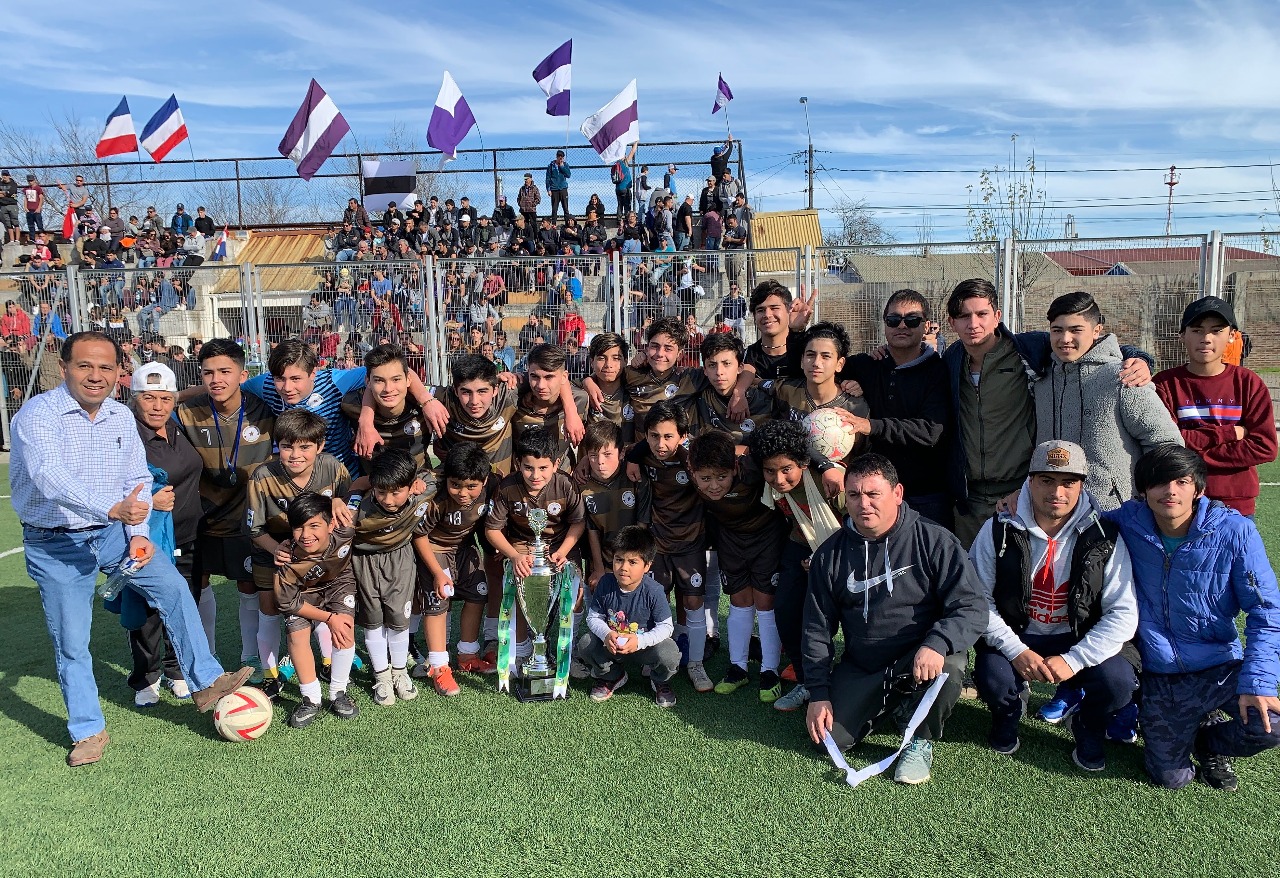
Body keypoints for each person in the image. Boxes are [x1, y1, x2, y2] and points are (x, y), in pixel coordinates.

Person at [10, 331, 252, 765]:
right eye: (85, 366)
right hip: (57, 544)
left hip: (114, 533)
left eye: (106, 367)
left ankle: (206, 681)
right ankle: (87, 730)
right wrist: (112, 508)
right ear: (64, 368)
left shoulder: (119, 416)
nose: (96, 376)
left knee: (174, 589)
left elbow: (136, 477)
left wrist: (138, 530)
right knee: (72, 641)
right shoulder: (38, 414)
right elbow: (48, 475)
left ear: (118, 373)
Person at [803, 454, 987, 785]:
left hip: (921, 657)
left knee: (950, 665)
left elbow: (971, 606)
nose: (863, 504)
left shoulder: (934, 540)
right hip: (864, 664)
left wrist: (937, 642)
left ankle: (919, 737)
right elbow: (816, 629)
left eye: (873, 494)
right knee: (829, 739)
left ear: (897, 493)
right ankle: (897, 705)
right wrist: (818, 693)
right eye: (854, 495)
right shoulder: (830, 555)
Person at [1111, 445, 1280, 790]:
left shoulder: (1235, 532)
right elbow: (1069, 516)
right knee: (1172, 778)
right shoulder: (1126, 522)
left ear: (1199, 489)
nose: (1170, 491)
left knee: (1270, 725)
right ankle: (1188, 722)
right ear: (1143, 490)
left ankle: (1208, 742)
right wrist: (1015, 499)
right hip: (1161, 674)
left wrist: (1258, 683)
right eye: (1159, 482)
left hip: (1219, 665)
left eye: (1182, 481)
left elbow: (1266, 610)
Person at [970, 440, 1139, 770]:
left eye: (1068, 482)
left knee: (1118, 682)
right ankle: (1009, 712)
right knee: (992, 677)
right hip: (1018, 634)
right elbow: (978, 599)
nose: (1057, 492)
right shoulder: (998, 528)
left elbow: (1123, 612)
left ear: (1082, 485)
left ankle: (1088, 724)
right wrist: (1016, 651)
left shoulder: (1104, 534)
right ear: (1030, 481)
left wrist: (1075, 660)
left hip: (1077, 635)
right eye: (1047, 480)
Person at [175, 339, 276, 682]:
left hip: (246, 517)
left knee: (249, 586)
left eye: (224, 371)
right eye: (208, 373)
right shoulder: (186, 412)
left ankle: (250, 657)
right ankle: (208, 657)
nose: (216, 379)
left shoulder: (264, 411)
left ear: (242, 375)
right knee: (198, 584)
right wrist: (177, 396)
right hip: (199, 515)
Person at [1035, 292, 1181, 510]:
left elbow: (1165, 442)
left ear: (1097, 331)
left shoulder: (1125, 376)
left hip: (1114, 512)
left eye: (1076, 330)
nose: (1065, 338)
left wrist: (1146, 498)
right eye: (1057, 330)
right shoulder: (1040, 380)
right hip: (1052, 512)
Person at [245, 409, 352, 697]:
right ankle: (270, 676)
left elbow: (349, 493)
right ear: (277, 445)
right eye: (287, 446)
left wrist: (339, 499)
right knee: (269, 609)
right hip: (273, 548)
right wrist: (276, 549)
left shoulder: (332, 467)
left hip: (317, 552)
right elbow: (254, 529)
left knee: (323, 603)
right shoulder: (262, 475)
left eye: (305, 447)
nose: (295, 455)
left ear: (320, 446)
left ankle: (328, 662)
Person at [124, 363, 211, 707]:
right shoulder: (126, 434)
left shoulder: (177, 424)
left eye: (165, 398)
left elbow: (181, 396)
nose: (158, 406)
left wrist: (206, 388)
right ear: (134, 399)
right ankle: (146, 677)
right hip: (148, 537)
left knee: (186, 603)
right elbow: (113, 485)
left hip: (190, 534)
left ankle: (177, 671)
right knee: (146, 610)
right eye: (149, 398)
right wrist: (150, 500)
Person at [688, 430, 788, 703]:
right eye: (705, 479)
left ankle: (770, 671)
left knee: (765, 601)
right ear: (693, 472)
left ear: (734, 468)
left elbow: (771, 447)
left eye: (722, 477)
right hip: (730, 539)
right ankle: (738, 668)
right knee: (739, 600)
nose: (714, 486)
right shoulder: (691, 469)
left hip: (767, 536)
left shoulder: (753, 468)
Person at [1154, 296, 1277, 517]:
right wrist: (1229, 433)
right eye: (1197, 330)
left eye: (1217, 330)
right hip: (1179, 501)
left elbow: (1264, 446)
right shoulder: (1164, 384)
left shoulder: (1249, 383)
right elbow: (1168, 443)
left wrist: (1193, 451)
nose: (1206, 338)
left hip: (1235, 504)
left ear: (1232, 336)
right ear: (1182, 335)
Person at [838, 289, 952, 527]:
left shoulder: (939, 371)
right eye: (893, 319)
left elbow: (930, 430)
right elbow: (818, 366)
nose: (902, 325)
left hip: (925, 496)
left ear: (926, 326)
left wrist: (871, 426)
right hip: (874, 495)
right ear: (885, 325)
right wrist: (796, 331)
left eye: (912, 320)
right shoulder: (868, 365)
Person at [411, 442, 501, 692]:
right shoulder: (434, 492)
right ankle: (439, 666)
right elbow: (420, 536)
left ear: (484, 480)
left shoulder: (493, 483)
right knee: (439, 601)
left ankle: (467, 655)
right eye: (456, 485)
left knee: (478, 594)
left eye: (471, 486)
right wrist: (437, 573)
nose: (463, 493)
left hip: (464, 548)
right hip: (435, 550)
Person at [350, 448, 432, 707]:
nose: (388, 499)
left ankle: (399, 672)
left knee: (398, 618)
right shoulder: (358, 510)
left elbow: (430, 478)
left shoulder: (422, 492)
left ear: (411, 486)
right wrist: (355, 492)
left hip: (400, 560)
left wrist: (419, 481)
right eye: (381, 491)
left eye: (396, 492)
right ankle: (382, 676)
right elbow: (358, 486)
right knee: (373, 620)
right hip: (365, 561)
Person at [274, 492, 360, 728]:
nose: (306, 535)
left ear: (331, 525)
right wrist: (329, 618)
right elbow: (288, 603)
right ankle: (311, 698)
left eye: (314, 526)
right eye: (298, 528)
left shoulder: (345, 527)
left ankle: (338, 692)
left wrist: (338, 500)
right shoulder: (287, 561)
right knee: (296, 634)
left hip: (339, 583)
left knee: (344, 627)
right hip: (302, 595)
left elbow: (367, 488)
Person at [579, 526, 682, 707]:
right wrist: (606, 634)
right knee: (586, 644)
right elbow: (593, 617)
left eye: (632, 562)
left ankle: (660, 680)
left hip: (644, 648)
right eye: (619, 559)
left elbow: (666, 627)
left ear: (647, 566)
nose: (623, 568)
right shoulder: (605, 583)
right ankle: (612, 675)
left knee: (669, 652)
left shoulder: (654, 590)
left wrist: (640, 641)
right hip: (612, 646)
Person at [546, 149, 572, 225]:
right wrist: (548, 189)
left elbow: (568, 175)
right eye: (559, 157)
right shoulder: (551, 166)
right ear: (557, 157)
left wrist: (562, 166)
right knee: (554, 209)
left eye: (562, 158)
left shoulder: (565, 165)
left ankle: (567, 224)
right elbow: (548, 178)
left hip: (563, 189)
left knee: (565, 208)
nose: (561, 159)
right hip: (554, 189)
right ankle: (554, 225)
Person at [0, 168, 19, 244]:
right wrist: (4, 194)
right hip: (3, 205)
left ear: (9, 176)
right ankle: (11, 240)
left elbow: (10, 193)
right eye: (3, 175)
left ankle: (17, 240)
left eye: (6, 175)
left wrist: (3, 193)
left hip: (12, 205)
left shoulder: (13, 184)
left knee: (15, 222)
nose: (4, 176)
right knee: (8, 224)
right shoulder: (0, 183)